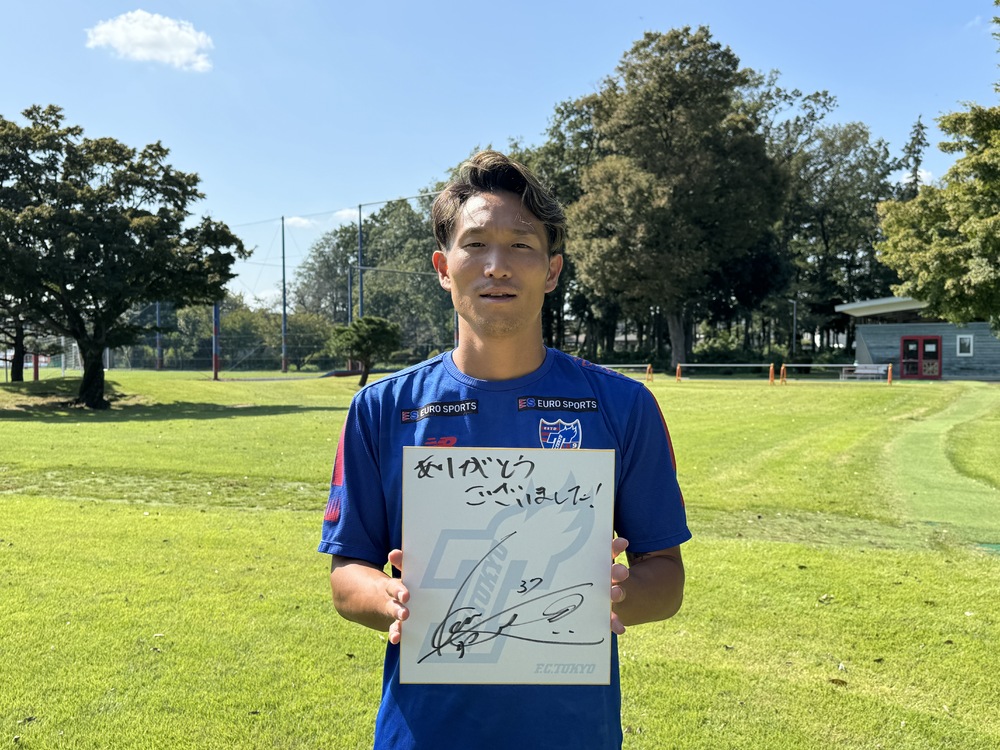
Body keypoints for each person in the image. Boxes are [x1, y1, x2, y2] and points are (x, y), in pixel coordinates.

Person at [319, 150, 690, 749]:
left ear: (552, 270)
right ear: (443, 267)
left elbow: (666, 578)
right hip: (424, 735)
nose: (497, 266)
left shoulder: (623, 406)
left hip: (573, 735)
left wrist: (616, 591)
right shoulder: (382, 409)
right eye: (475, 245)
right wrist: (394, 599)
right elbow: (346, 578)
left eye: (521, 245)